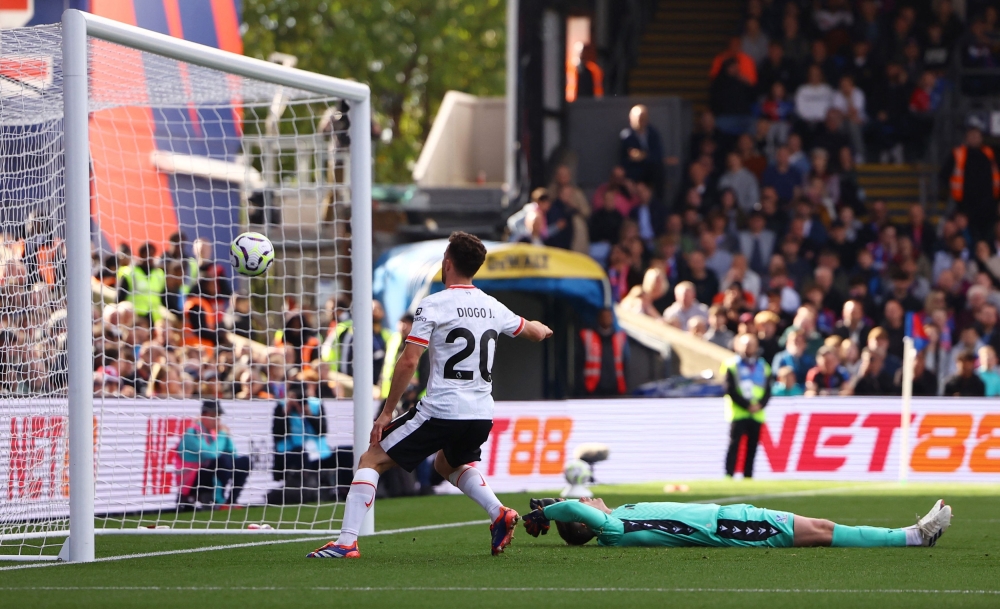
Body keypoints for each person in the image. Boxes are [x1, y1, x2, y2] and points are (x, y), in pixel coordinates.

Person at [308, 232, 553, 559]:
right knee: (446, 464)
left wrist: (386, 412)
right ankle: (498, 513)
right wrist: (544, 328)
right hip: (481, 413)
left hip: (443, 409)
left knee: (372, 458)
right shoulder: (492, 306)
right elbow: (534, 332)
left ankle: (346, 542)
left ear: (447, 263)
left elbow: (410, 359)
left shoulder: (434, 304)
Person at [522, 496, 952, 549]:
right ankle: (914, 536)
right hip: (729, 530)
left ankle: (912, 535)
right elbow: (576, 513)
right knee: (822, 532)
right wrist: (545, 514)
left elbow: (578, 510)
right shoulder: (612, 533)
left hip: (731, 518)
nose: (585, 497)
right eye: (580, 504)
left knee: (821, 526)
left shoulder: (622, 514)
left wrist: (552, 509)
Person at [176, 400, 249, 508]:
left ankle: (231, 501)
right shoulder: (192, 432)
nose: (218, 420)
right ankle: (219, 501)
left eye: (218, 417)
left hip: (206, 473)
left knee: (244, 462)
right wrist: (222, 434)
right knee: (222, 461)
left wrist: (227, 436)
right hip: (191, 480)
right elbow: (211, 454)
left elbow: (233, 454)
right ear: (204, 415)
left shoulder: (212, 433)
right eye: (214, 416)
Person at [722, 333, 772, 479]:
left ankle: (748, 475)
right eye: (745, 344)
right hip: (738, 412)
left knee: (753, 447)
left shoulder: (763, 366)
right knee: (734, 445)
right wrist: (746, 405)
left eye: (751, 344)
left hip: (757, 413)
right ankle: (729, 474)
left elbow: (768, 391)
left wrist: (759, 405)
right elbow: (729, 389)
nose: (748, 347)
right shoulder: (731, 365)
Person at [940, 126, 999, 243]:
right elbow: (943, 176)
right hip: (966, 209)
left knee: (989, 239)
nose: (974, 138)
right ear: (966, 138)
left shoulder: (990, 154)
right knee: (969, 240)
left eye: (977, 136)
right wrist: (958, 209)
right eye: (971, 135)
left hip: (989, 209)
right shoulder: (957, 154)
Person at [577, 308, 628, 397]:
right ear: (599, 318)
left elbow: (625, 363)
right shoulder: (589, 336)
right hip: (593, 388)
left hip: (615, 388)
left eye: (608, 316)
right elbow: (579, 362)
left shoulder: (619, 337)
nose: (606, 319)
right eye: (604, 316)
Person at [619, 105, 664, 190]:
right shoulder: (626, 136)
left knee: (658, 169)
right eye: (638, 118)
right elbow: (627, 158)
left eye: (643, 118)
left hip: (651, 169)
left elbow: (658, 154)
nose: (641, 121)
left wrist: (643, 156)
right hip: (634, 171)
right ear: (631, 119)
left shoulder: (653, 133)